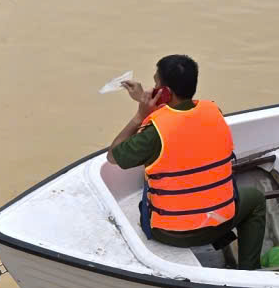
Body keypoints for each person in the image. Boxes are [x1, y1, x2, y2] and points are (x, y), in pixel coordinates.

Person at [108, 54, 266, 269]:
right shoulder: (214, 112)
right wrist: (148, 99)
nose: (153, 87)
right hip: (221, 222)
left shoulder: (153, 134)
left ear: (165, 92)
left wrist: (139, 114)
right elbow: (181, 121)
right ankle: (250, 271)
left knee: (153, 174)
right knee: (255, 199)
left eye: (156, 83)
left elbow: (113, 156)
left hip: (169, 233)